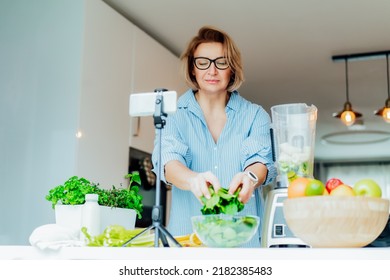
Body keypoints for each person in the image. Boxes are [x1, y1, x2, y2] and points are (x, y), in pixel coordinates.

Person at [152, 25, 276, 247]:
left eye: (221, 62)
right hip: (187, 246)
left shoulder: (255, 115)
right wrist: (193, 180)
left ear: (232, 69)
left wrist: (250, 178)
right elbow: (167, 162)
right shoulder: (173, 114)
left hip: (244, 249)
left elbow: (261, 161)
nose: (212, 70)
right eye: (203, 62)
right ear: (192, 69)